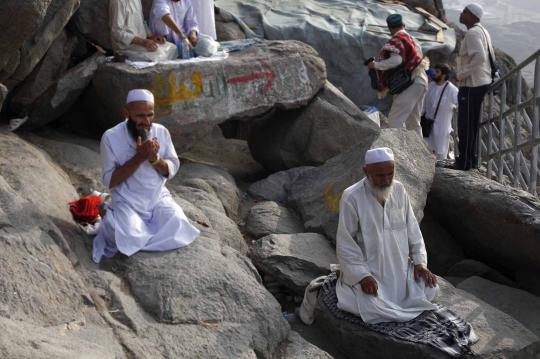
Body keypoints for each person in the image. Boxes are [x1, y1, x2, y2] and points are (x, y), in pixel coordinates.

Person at [92, 89, 199, 263]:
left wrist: (154, 159)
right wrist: (139, 157)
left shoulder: (161, 132)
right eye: (140, 116)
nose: (146, 121)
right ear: (126, 113)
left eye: (150, 115)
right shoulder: (111, 137)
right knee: (123, 234)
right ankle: (108, 208)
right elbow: (109, 180)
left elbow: (170, 169)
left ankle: (144, 234)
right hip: (127, 200)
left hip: (156, 198)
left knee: (178, 223)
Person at [335, 147, 439, 324]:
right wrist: (362, 276)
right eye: (380, 176)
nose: (386, 180)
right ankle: (354, 285)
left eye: (390, 174)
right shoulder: (352, 196)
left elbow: (413, 229)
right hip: (371, 271)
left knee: (432, 288)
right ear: (366, 171)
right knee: (362, 304)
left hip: (400, 270)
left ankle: (396, 305)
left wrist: (420, 264)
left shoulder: (398, 190)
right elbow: (346, 242)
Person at [367, 14, 429, 137]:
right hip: (420, 80)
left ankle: (398, 153)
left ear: (390, 28)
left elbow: (397, 60)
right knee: (413, 123)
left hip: (410, 83)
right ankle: (421, 154)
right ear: (403, 25)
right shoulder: (411, 39)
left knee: (395, 120)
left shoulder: (397, 39)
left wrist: (375, 65)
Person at [455, 3, 495, 170]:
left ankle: (464, 163)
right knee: (471, 125)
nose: (462, 14)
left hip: (472, 85)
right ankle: (470, 160)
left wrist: (461, 74)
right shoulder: (482, 30)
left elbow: (479, 56)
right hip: (480, 83)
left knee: (466, 125)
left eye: (465, 12)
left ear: (472, 16)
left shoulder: (472, 33)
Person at [109, 0, 177, 61]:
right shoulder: (117, 2)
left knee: (172, 48)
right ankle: (123, 57)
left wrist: (151, 36)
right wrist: (142, 41)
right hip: (127, 47)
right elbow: (116, 32)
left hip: (143, 43)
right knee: (159, 54)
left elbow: (142, 22)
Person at [423, 64, 459, 159]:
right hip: (427, 126)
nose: (434, 74)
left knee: (440, 154)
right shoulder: (430, 86)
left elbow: (459, 103)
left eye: (437, 72)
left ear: (443, 75)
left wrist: (455, 107)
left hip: (442, 129)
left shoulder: (452, 90)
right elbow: (423, 104)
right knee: (425, 150)